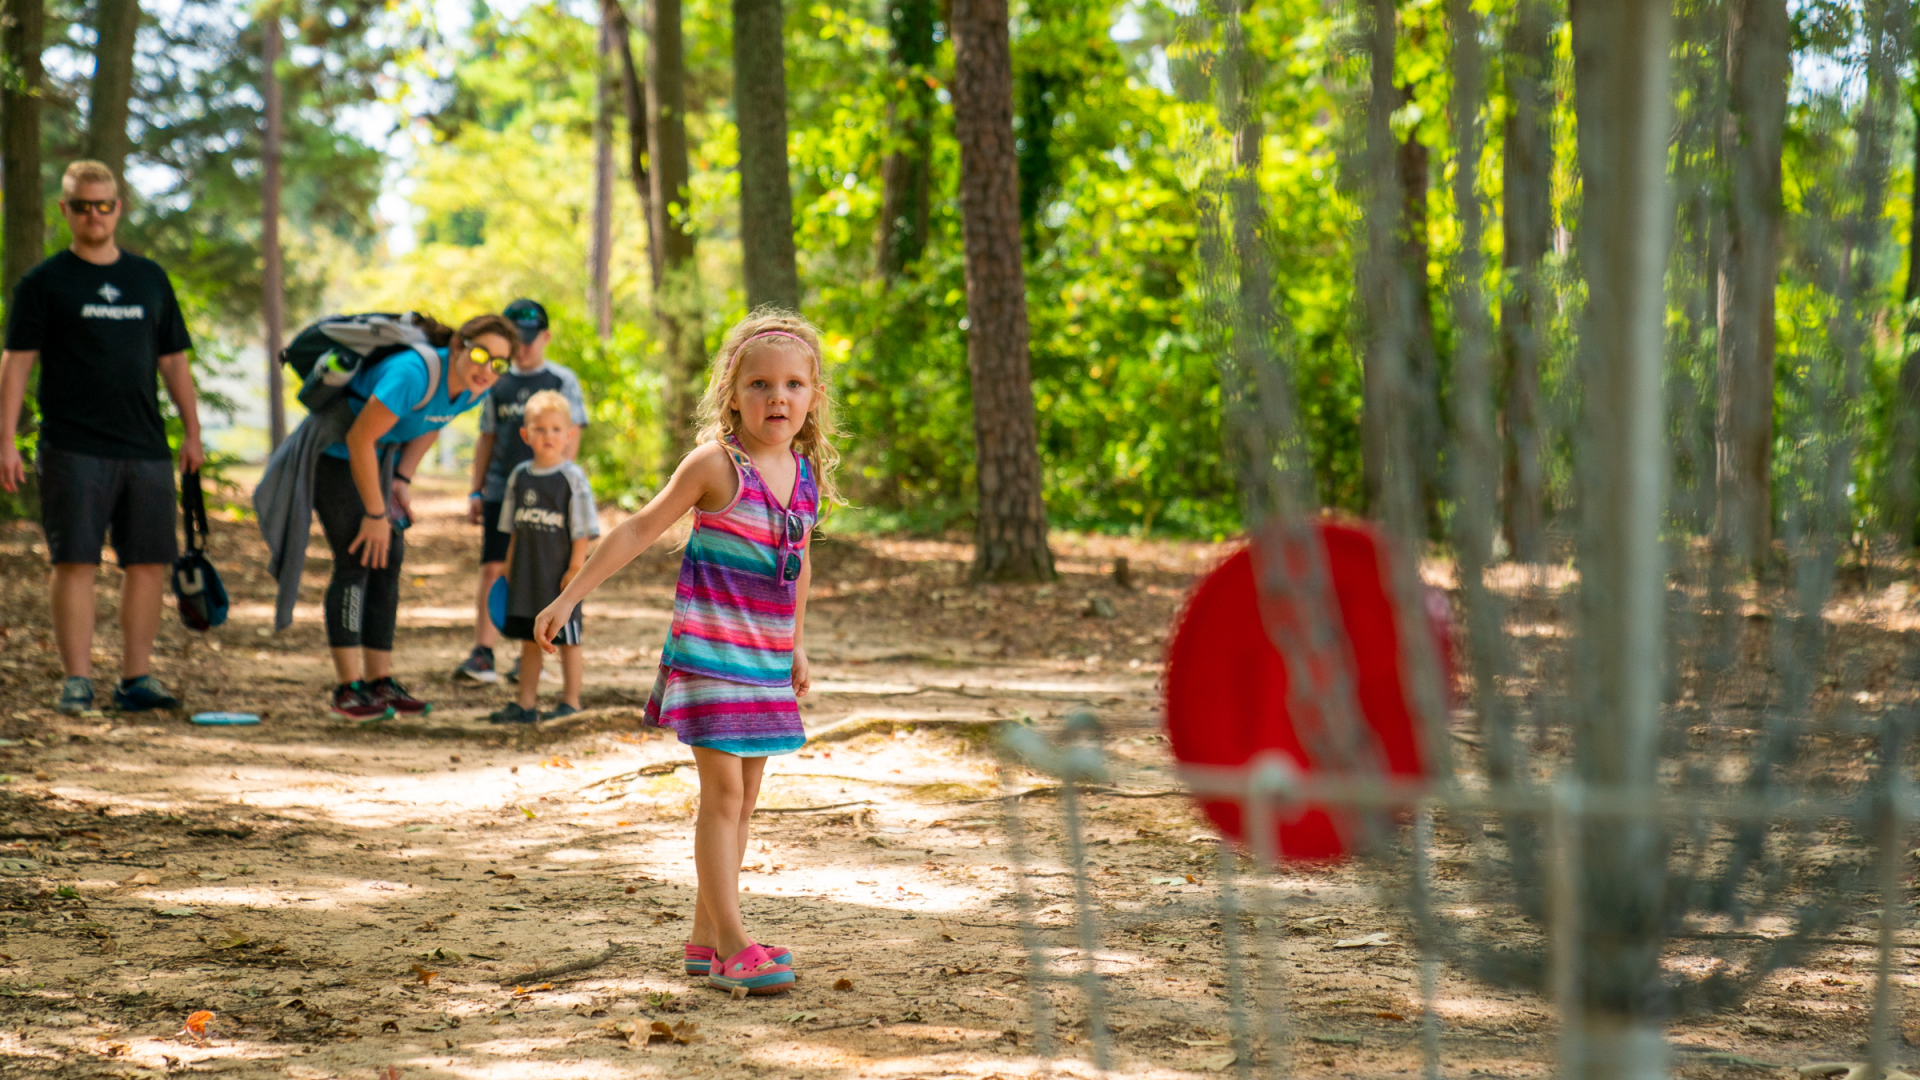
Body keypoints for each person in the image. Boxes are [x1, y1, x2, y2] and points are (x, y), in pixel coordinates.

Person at [532, 310, 839, 996]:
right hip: (709, 654)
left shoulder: (803, 473)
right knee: (723, 795)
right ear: (733, 394)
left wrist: (797, 642)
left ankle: (705, 937)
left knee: (745, 800)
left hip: (765, 660)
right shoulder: (715, 465)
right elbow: (638, 528)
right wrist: (569, 597)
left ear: (814, 396)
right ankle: (734, 943)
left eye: (793, 385)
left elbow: (799, 562)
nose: (777, 398)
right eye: (759, 384)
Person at [0, 160, 202, 716]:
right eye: (83, 206)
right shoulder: (42, 283)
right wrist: (5, 439)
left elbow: (173, 360)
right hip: (71, 446)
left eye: (104, 205)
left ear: (119, 208)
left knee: (148, 563)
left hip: (145, 447)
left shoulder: (149, 278)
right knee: (75, 562)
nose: (94, 215)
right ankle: (78, 681)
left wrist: (192, 432)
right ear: (64, 210)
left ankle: (136, 678)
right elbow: (17, 362)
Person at [313, 314, 515, 721]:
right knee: (356, 559)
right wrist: (375, 513)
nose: (487, 369)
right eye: (480, 354)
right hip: (335, 455)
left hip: (377, 461)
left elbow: (432, 422)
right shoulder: (413, 374)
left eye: (499, 363)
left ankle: (379, 682)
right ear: (458, 346)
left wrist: (401, 479)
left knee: (388, 560)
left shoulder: (474, 388)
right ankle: (347, 690)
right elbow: (358, 437)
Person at [454, 299, 587, 684]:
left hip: (548, 498)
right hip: (502, 490)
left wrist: (559, 483)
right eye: (516, 341)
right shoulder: (496, 379)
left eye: (529, 339)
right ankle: (484, 651)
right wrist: (476, 490)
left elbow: (573, 433)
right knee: (494, 567)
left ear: (545, 337)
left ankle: (532, 654)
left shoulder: (561, 381)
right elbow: (487, 436)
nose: (523, 347)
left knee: (542, 572)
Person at [486, 391, 599, 724]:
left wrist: (576, 568)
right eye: (539, 429)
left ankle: (571, 702)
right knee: (530, 639)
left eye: (555, 429)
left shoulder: (572, 478)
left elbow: (582, 530)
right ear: (525, 434)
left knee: (569, 641)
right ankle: (525, 705)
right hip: (527, 575)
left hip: (562, 579)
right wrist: (508, 567)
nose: (548, 435)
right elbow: (513, 528)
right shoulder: (519, 476)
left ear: (569, 435)